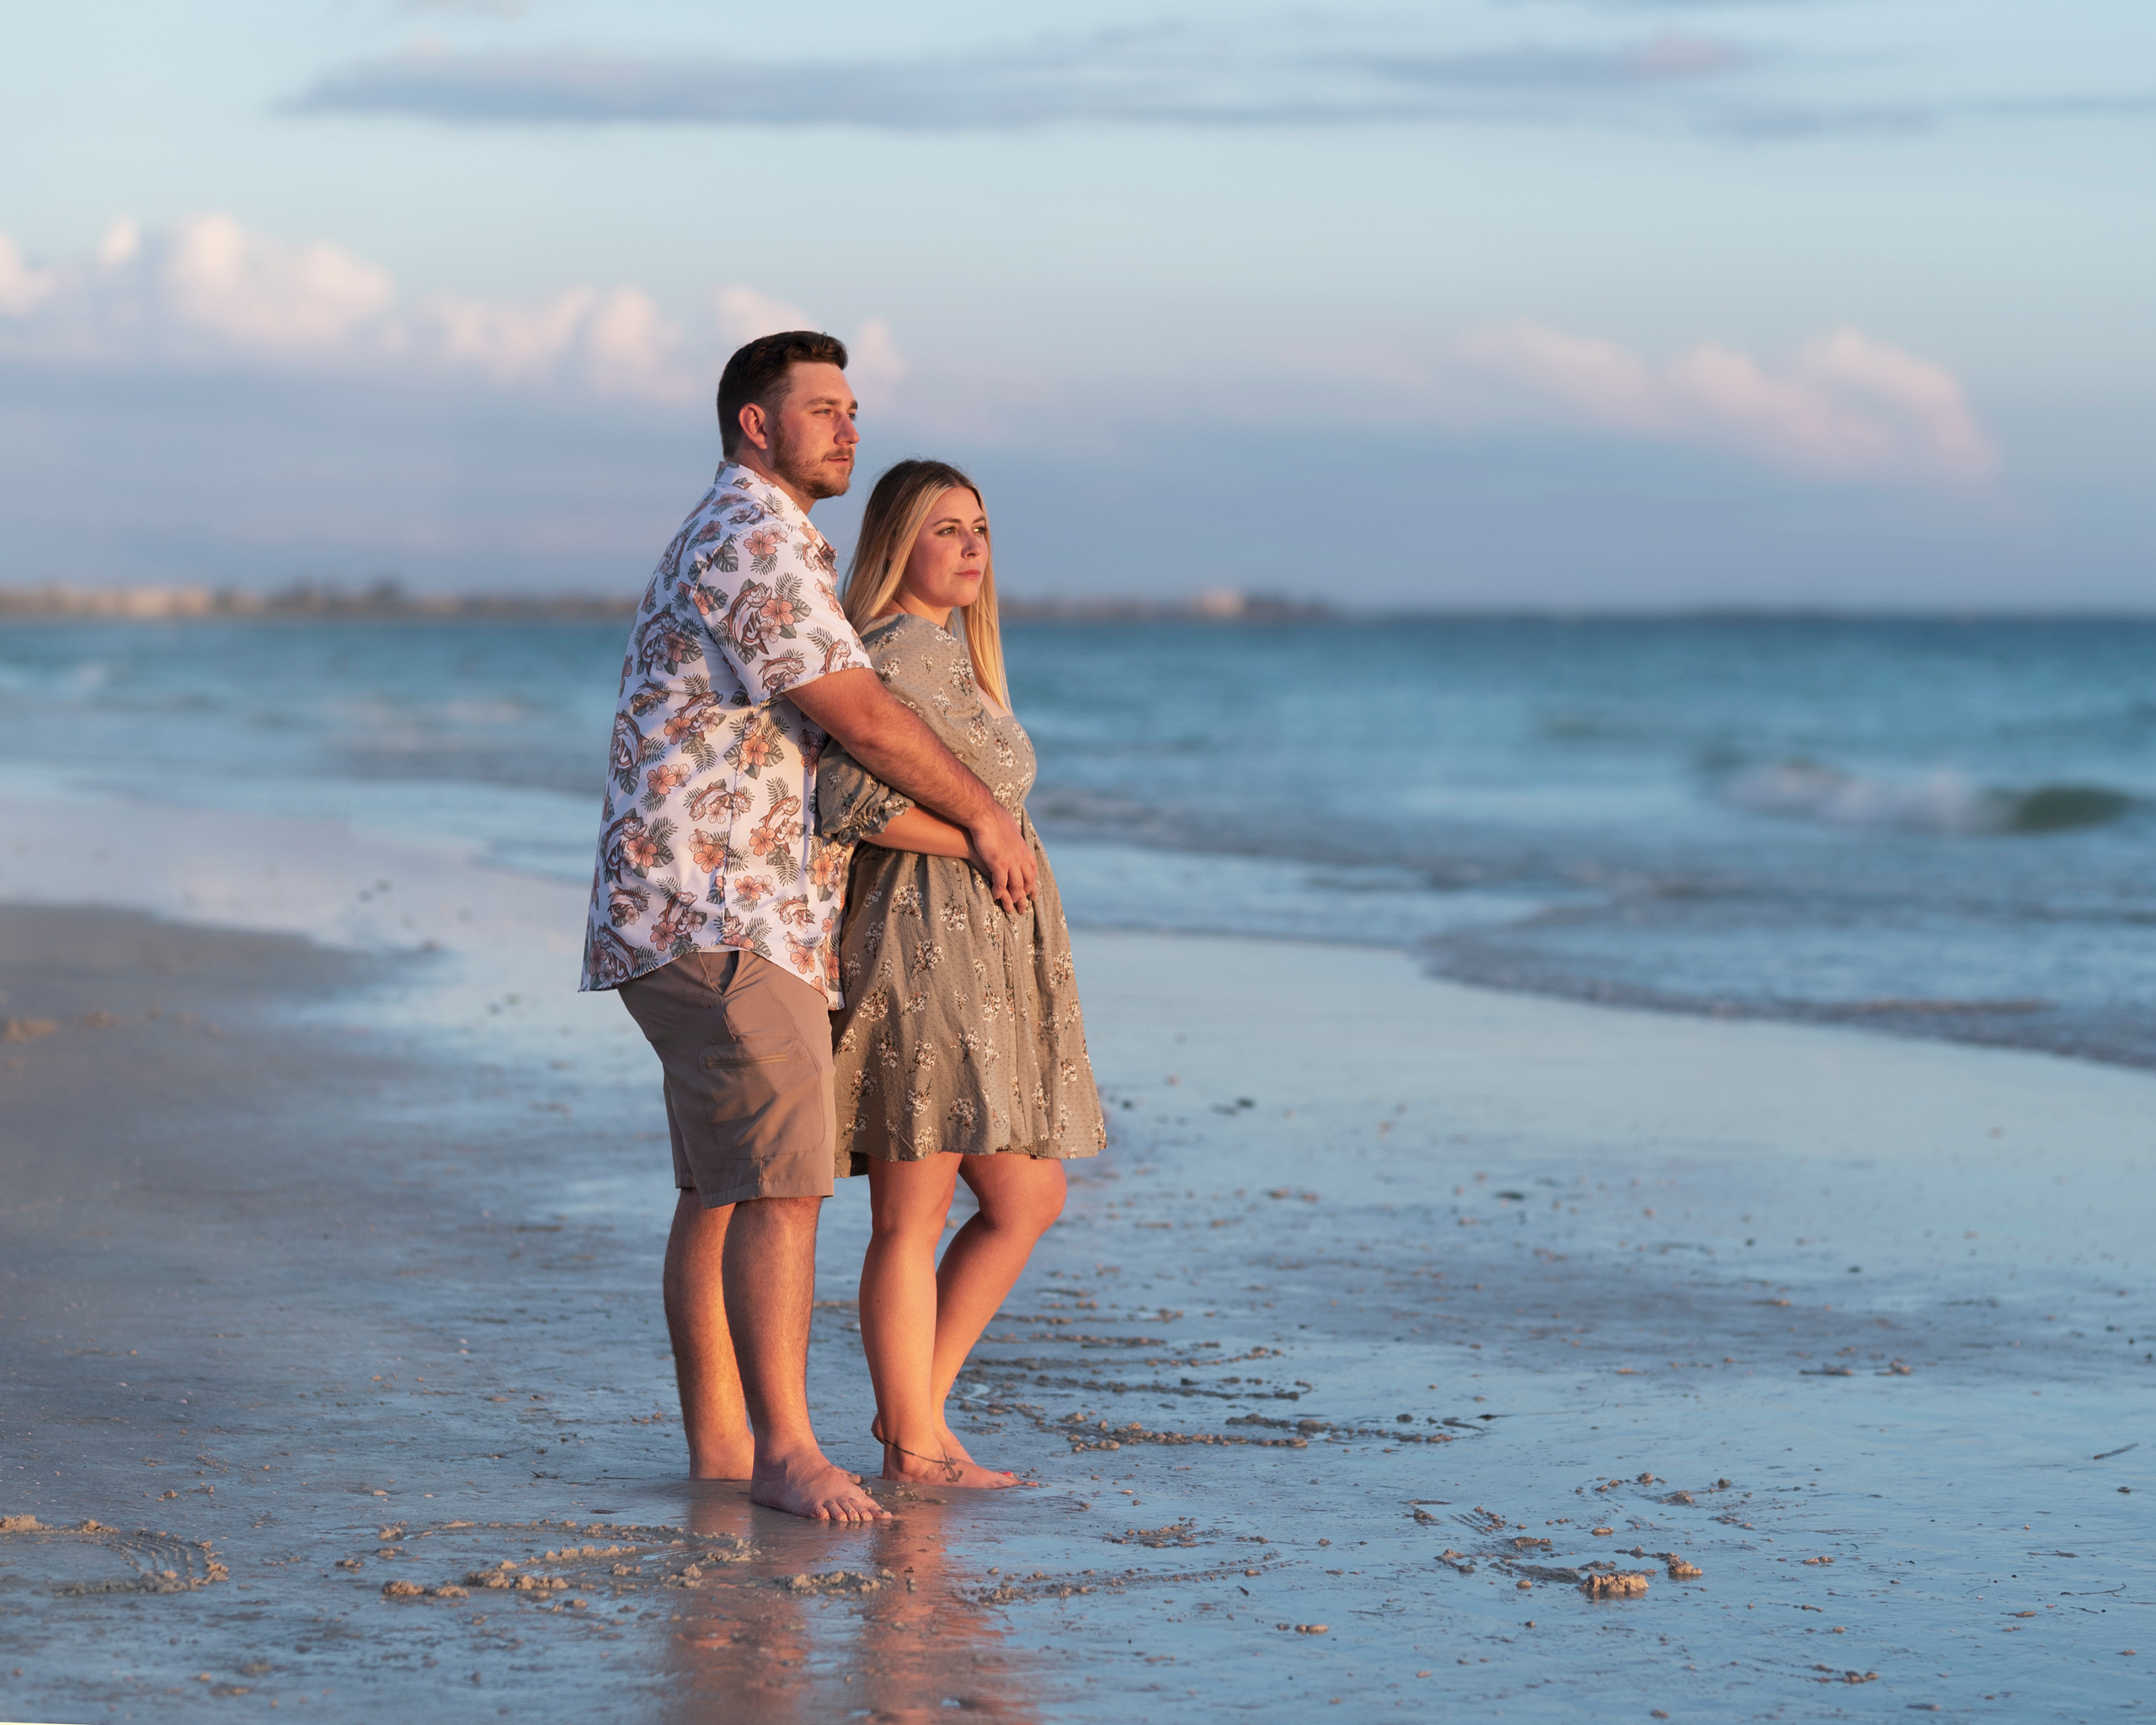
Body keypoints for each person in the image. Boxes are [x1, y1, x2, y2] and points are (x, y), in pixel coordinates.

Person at [579, 336, 1038, 1522]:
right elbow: (862, 720)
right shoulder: (755, 538)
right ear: (753, 424)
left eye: (852, 409)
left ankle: (728, 1450)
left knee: (725, 1188)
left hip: (689, 902)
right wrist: (986, 818)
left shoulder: (744, 532)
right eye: (821, 411)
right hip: (721, 902)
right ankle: (785, 1450)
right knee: (785, 1185)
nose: (847, 430)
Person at [819, 460, 1107, 1487]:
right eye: (947, 528)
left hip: (984, 959)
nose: (972, 545)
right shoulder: (892, 654)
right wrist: (981, 842)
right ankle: (912, 1441)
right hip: (922, 946)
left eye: (980, 526)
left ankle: (917, 1417)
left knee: (1028, 1196)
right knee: (910, 1214)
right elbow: (849, 801)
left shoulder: (949, 656)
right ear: (900, 542)